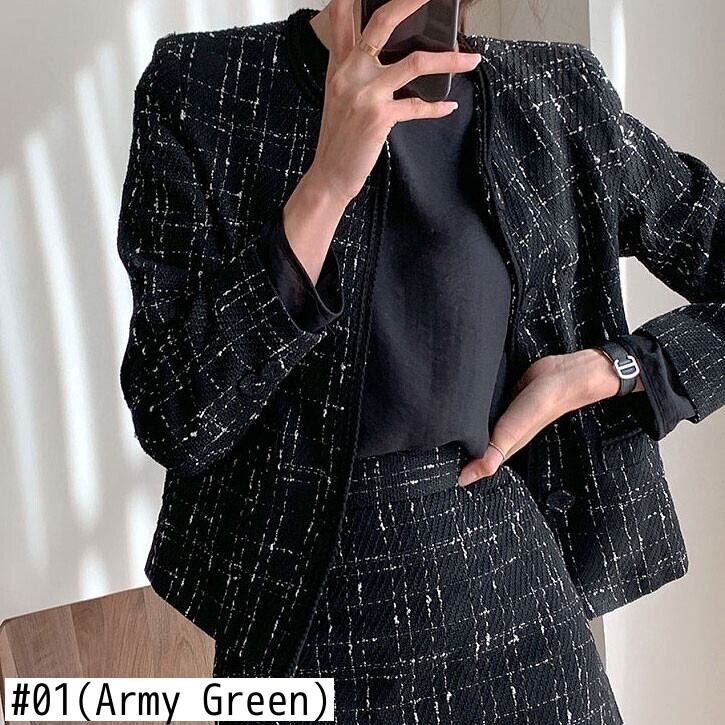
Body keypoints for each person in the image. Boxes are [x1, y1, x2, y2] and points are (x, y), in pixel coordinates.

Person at [117, 0, 725, 723]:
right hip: (304, 621)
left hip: (515, 605)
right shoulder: (206, 86)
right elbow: (177, 416)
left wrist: (615, 370)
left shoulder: (554, 95)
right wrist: (326, 183)